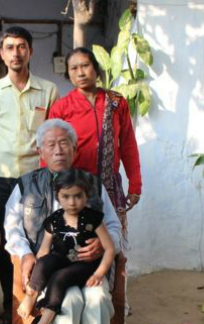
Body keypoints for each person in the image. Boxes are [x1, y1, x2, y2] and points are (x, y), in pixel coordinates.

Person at [0, 26, 59, 324]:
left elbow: (52, 136)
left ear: (30, 51)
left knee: (38, 242)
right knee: (4, 244)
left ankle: (35, 299)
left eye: (21, 46)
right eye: (9, 47)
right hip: (0, 178)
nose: (15, 52)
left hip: (36, 180)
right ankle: (10, 308)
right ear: (1, 53)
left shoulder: (48, 91)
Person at [5, 119, 122, 324]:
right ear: (41, 152)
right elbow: (12, 228)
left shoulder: (93, 184)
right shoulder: (26, 185)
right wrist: (25, 253)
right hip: (49, 271)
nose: (58, 150)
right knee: (70, 301)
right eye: (51, 145)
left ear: (74, 149)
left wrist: (103, 243)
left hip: (88, 267)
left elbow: (114, 226)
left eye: (64, 143)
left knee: (97, 299)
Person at [48, 47, 142, 226]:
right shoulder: (61, 108)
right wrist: (53, 189)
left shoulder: (116, 102)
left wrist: (135, 185)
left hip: (110, 187)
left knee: (112, 243)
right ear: (68, 74)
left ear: (96, 69)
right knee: (80, 246)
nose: (80, 72)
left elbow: (128, 145)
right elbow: (50, 152)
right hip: (75, 188)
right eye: (73, 68)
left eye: (85, 65)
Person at [17, 169, 116, 324]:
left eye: (78, 196)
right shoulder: (55, 219)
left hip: (87, 265)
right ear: (58, 197)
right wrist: (37, 271)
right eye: (66, 197)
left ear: (86, 195)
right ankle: (31, 294)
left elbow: (109, 249)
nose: (72, 202)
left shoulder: (93, 218)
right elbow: (44, 250)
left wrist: (99, 274)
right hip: (63, 259)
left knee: (60, 277)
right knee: (46, 262)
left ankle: (44, 321)